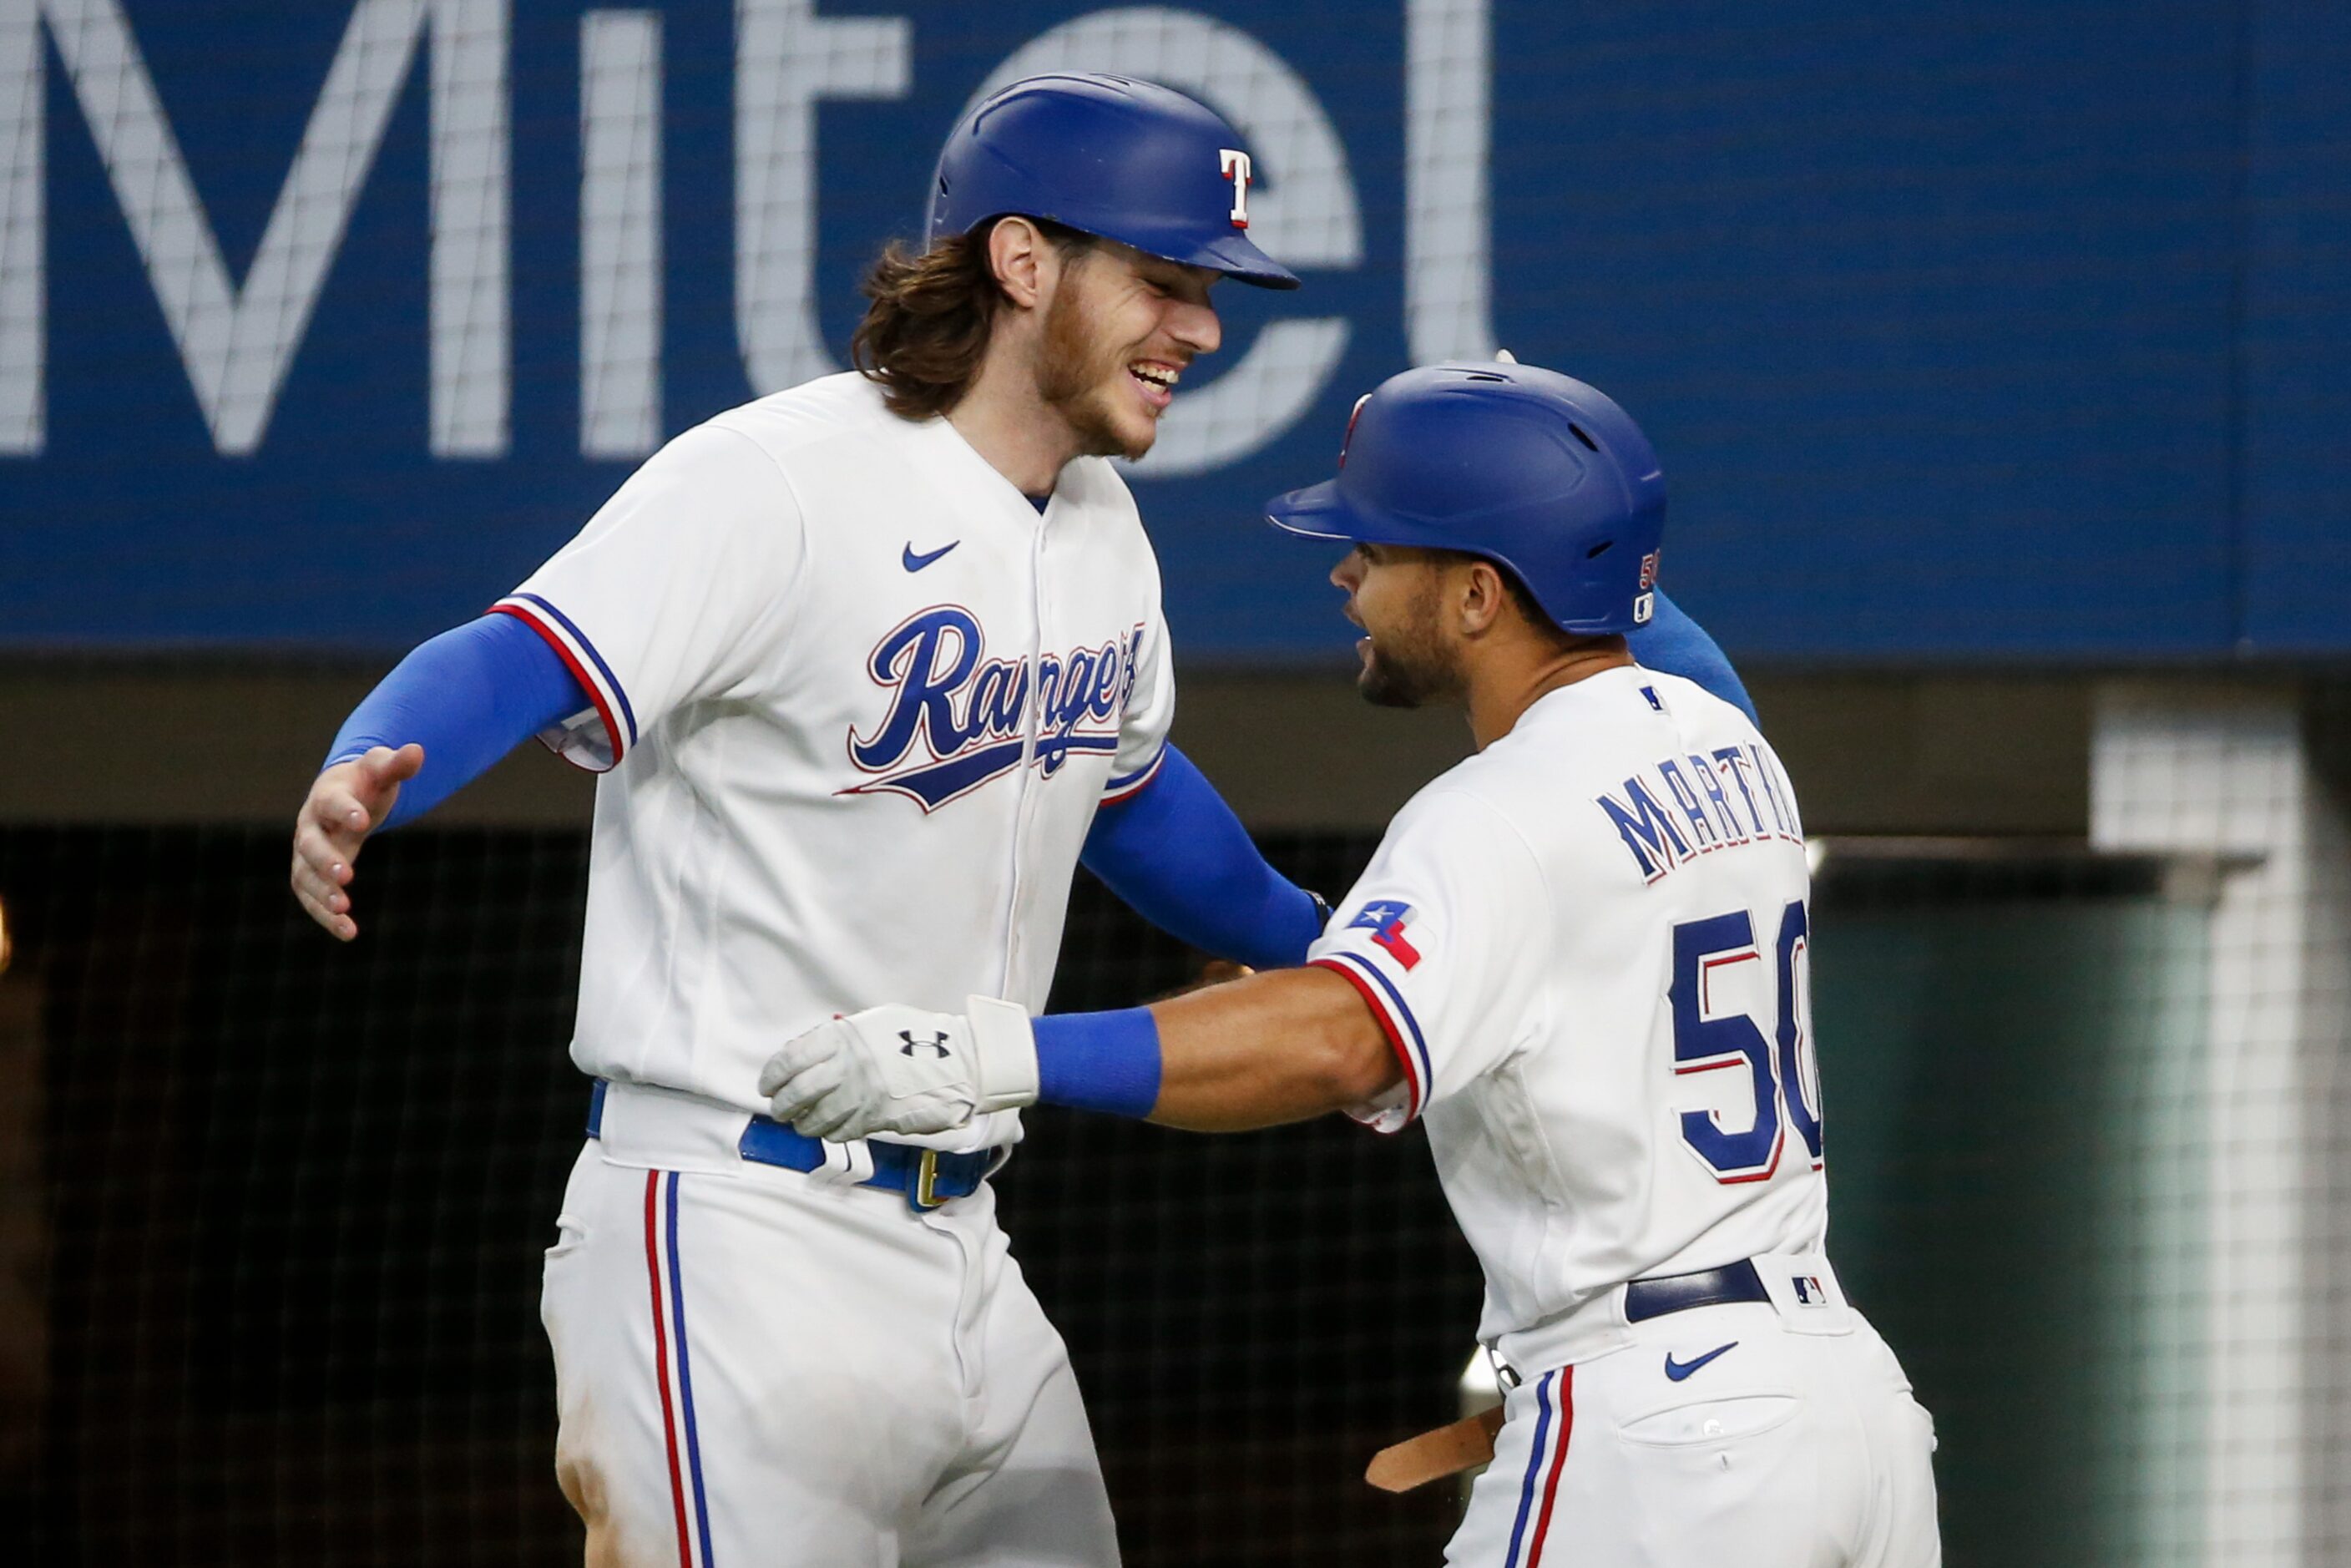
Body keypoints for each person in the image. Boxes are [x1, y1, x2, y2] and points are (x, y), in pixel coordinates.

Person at [291, 71, 1748, 1565]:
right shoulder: (777, 478)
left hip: (967, 1243)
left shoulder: (1104, 530)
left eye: (1207, 288)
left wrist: (1322, 954)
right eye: (1163, 280)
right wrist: (368, 756)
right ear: (1022, 259)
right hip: (732, 1224)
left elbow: (1120, 795)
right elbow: (526, 649)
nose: (1202, 327)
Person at [759, 360, 1943, 1566]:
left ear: (1481, 594)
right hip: (1851, 1415)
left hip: (1663, 1437)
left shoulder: (1497, 812)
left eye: (1378, 547)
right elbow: (1633, 627)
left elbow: (1338, 1037)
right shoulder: (1732, 745)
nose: (1344, 573)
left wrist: (990, 1054)